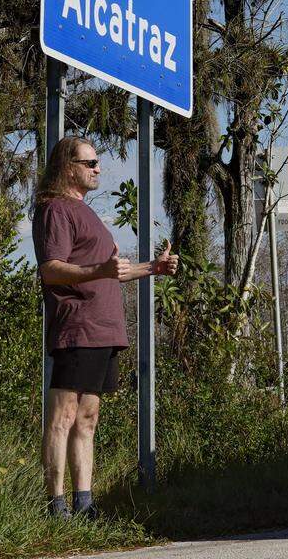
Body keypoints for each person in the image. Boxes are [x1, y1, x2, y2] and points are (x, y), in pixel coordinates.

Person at [32, 136, 179, 518]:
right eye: (90, 162)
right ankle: (56, 506)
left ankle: (85, 504)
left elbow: (113, 271)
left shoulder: (89, 214)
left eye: (97, 163)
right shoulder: (55, 210)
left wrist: (153, 268)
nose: (98, 168)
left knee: (88, 417)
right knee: (62, 416)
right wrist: (100, 270)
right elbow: (51, 269)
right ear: (68, 166)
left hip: (105, 329)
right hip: (77, 327)